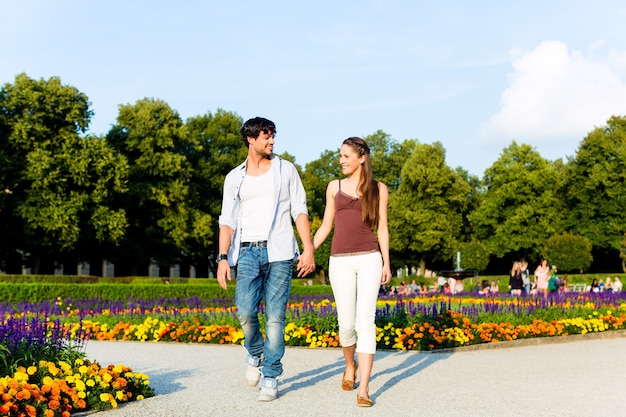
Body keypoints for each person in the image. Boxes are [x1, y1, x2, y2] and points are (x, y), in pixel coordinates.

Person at [216, 117, 316, 402]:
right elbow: (227, 220)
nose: (271, 142)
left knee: (275, 318)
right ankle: (256, 352)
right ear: (250, 139)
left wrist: (307, 248)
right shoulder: (235, 177)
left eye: (273, 137)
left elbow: (300, 210)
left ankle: (271, 374)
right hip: (247, 251)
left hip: (281, 252)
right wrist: (223, 258)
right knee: (245, 313)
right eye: (266, 137)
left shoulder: (286, 170)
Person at [313, 137, 391, 407]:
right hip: (340, 261)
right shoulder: (333, 187)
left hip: (370, 258)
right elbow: (325, 225)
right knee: (346, 325)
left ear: (362, 158)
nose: (342, 160)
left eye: (346, 156)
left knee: (365, 323)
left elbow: (382, 227)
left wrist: (387, 262)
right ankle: (350, 366)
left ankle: (365, 389)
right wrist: (309, 250)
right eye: (341, 156)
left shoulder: (379, 189)